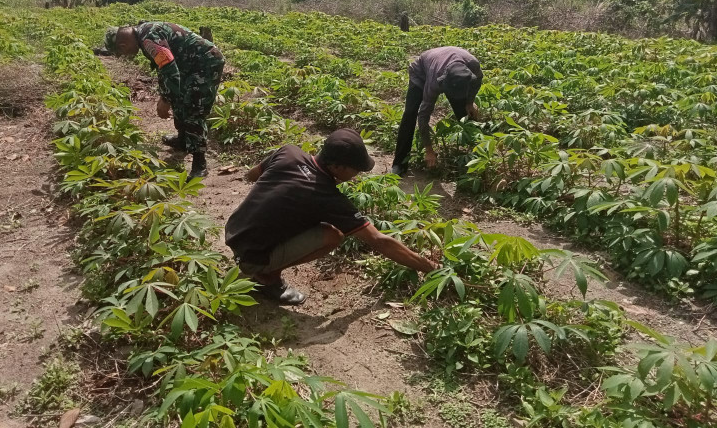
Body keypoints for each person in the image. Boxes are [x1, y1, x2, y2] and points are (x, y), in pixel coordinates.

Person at [225, 129, 438, 305]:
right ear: (337, 167)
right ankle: (266, 275)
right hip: (253, 256)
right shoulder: (327, 196)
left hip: (235, 229)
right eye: (355, 170)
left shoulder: (288, 152)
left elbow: (252, 175)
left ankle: (257, 260)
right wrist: (429, 266)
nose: (357, 175)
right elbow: (379, 241)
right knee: (332, 235)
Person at [97, 21, 224, 179]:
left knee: (193, 108)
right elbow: (164, 70)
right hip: (188, 64)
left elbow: (170, 69)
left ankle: (200, 163)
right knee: (178, 98)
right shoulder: (143, 33)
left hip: (205, 63)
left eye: (123, 53)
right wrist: (168, 95)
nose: (126, 56)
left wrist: (165, 99)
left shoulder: (149, 39)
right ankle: (183, 140)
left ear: (122, 45)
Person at [391, 46, 483, 176]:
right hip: (421, 71)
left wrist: (469, 102)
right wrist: (429, 150)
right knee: (410, 113)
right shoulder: (434, 82)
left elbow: (478, 81)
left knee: (465, 113)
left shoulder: (473, 65)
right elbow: (423, 116)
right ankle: (399, 163)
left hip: (449, 63)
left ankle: (476, 155)